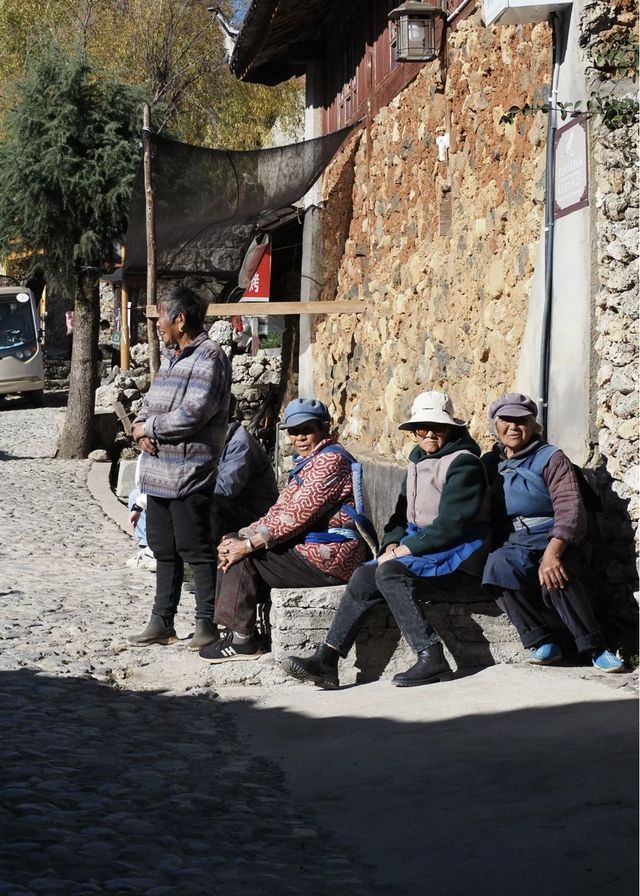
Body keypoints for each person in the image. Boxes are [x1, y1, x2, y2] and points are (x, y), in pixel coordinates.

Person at [281, 391, 491, 689]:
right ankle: (327, 660)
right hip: (424, 546)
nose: (429, 434)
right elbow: (398, 517)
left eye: (437, 428)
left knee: (390, 572)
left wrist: (404, 550)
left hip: (460, 552)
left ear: (451, 429)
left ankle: (431, 655)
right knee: (365, 574)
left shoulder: (463, 464)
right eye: (422, 429)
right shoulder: (417, 462)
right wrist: (391, 543)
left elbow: (453, 525)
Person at [198, 397, 370, 663]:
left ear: (324, 428)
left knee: (247, 556)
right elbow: (279, 511)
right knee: (233, 541)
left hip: (329, 558)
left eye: (307, 430)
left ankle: (242, 640)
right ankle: (233, 631)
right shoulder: (309, 461)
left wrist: (249, 545)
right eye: (294, 431)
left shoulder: (330, 462)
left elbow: (297, 516)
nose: (300, 438)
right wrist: (243, 535)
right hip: (309, 549)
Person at [481, 393, 625, 673]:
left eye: (521, 421)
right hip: (515, 541)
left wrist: (552, 552)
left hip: (556, 535)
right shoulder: (490, 463)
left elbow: (570, 509)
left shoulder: (552, 458)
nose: (513, 427)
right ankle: (541, 641)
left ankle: (596, 647)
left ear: (534, 425)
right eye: (506, 420)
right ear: (496, 425)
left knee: (556, 575)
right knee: (496, 568)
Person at [127, 285, 231, 651]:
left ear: (180, 318)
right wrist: (140, 431)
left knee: (196, 548)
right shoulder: (172, 357)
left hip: (189, 472)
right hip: (157, 473)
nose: (157, 325)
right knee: (162, 548)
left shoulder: (209, 357)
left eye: (160, 318)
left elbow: (193, 413)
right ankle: (162, 620)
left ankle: (206, 623)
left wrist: (150, 428)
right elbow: (150, 405)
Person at [126, 400, 278, 571]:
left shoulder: (239, 444)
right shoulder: (209, 438)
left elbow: (224, 489)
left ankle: (199, 564)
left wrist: (182, 493)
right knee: (138, 495)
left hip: (249, 511)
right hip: (221, 500)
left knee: (202, 503)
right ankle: (153, 548)